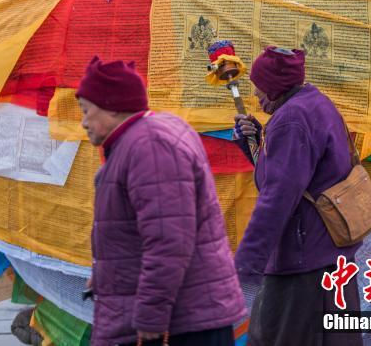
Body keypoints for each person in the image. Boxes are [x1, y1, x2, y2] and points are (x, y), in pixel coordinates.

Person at [77, 55, 245, 346]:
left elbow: (168, 240)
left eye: (86, 110)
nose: (83, 122)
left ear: (112, 107)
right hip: (180, 315)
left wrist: (151, 318)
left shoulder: (150, 146)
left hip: (181, 324)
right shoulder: (146, 135)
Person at [234, 46, 363, 346]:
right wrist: (254, 140)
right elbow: (293, 175)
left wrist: (246, 264)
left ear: (277, 87)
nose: (255, 95)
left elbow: (277, 198)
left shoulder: (292, 120)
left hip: (304, 266)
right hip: (329, 256)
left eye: (261, 88)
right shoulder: (314, 103)